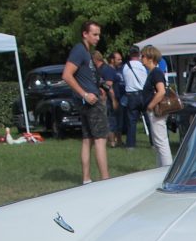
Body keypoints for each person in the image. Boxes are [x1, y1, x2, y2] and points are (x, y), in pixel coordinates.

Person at [63, 20, 110, 183]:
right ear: (85, 34)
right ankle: (106, 180)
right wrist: (85, 94)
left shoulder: (85, 52)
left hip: (87, 101)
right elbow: (66, 75)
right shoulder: (79, 51)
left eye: (99, 34)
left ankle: (86, 179)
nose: (98, 38)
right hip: (90, 102)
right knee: (100, 139)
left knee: (87, 139)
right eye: (94, 34)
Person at [139, 45, 172, 168]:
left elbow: (161, 91)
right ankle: (160, 169)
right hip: (153, 111)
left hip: (156, 111)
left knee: (161, 141)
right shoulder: (153, 73)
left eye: (143, 56)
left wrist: (150, 105)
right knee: (158, 142)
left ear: (150, 58)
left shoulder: (156, 73)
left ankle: (166, 169)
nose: (141, 58)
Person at [121, 46, 148, 150]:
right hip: (143, 94)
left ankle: (130, 145)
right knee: (149, 119)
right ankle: (154, 143)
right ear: (139, 54)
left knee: (131, 121)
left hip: (131, 95)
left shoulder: (125, 67)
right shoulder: (143, 65)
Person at [94, 50, 120, 147]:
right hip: (105, 99)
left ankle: (114, 141)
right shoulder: (103, 69)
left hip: (108, 98)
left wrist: (113, 100)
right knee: (110, 120)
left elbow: (108, 86)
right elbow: (107, 86)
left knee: (111, 119)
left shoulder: (104, 69)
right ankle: (113, 141)